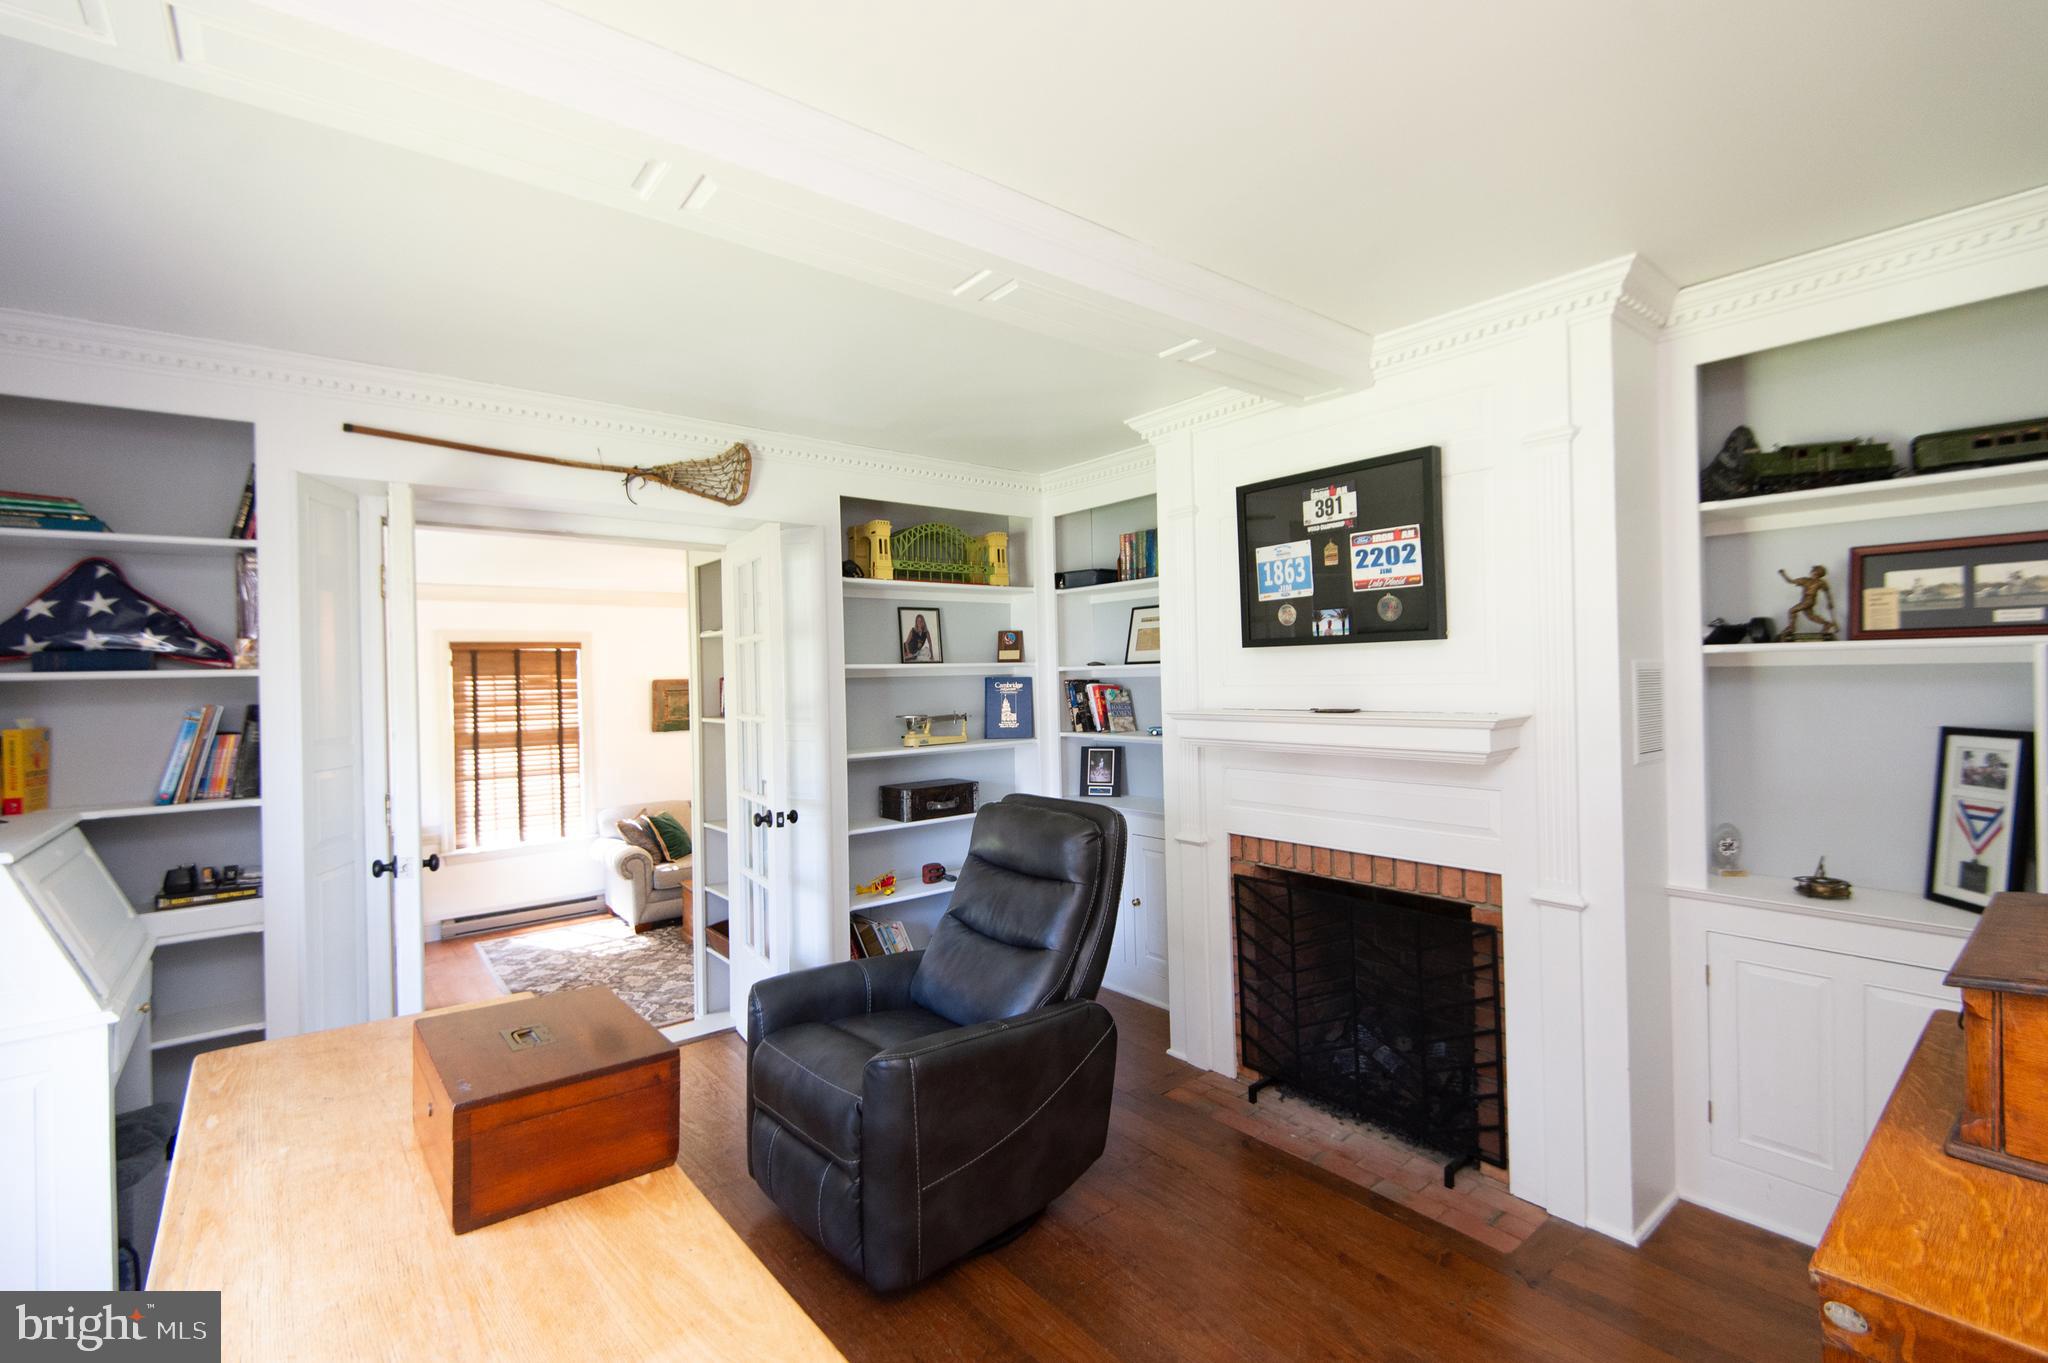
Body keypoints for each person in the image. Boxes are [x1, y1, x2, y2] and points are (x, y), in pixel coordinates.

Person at [1778, 564, 1837, 640]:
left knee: (1792, 611)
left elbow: (1827, 592)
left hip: (1809, 601)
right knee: (1811, 617)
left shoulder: (1820, 583)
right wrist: (1783, 574)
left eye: (1817, 573)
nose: (1814, 574)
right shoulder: (1805, 580)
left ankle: (1791, 628)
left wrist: (1829, 602)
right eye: (1814, 572)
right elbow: (1791, 581)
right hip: (1805, 600)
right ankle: (1826, 624)